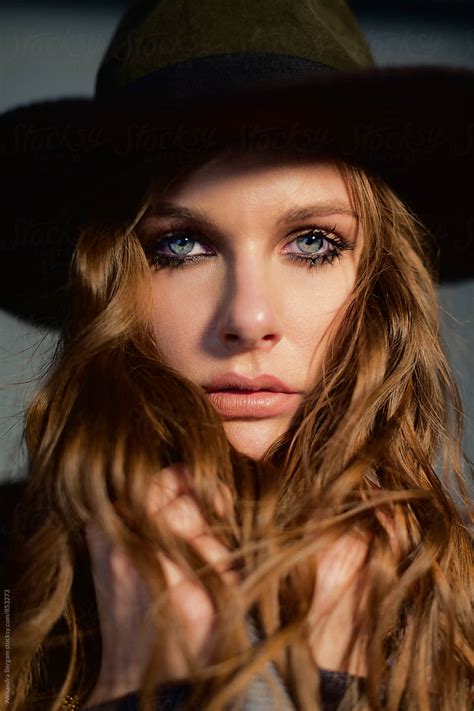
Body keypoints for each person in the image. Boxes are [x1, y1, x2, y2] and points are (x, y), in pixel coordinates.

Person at [0, 1, 472, 710]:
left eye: (312, 242)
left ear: (377, 280)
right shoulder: (17, 585)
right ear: (109, 283)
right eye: (181, 245)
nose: (249, 318)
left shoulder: (458, 596)